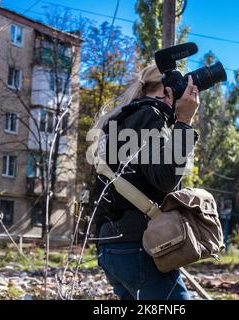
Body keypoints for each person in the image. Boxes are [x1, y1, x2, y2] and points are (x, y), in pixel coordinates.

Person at [91, 64, 200, 300]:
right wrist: (184, 121)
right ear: (166, 92)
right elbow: (165, 178)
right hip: (137, 245)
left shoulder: (123, 119)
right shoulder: (150, 114)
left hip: (112, 244)